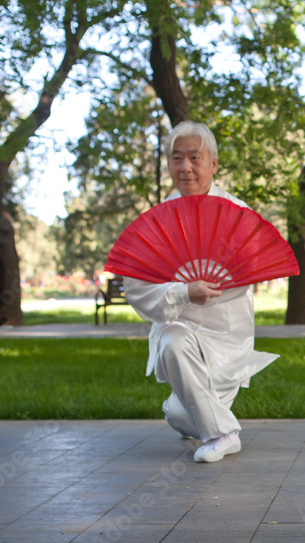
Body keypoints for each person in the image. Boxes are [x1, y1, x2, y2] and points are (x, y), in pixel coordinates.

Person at [124, 120, 277, 463]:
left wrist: (207, 288)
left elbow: (249, 273)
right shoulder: (156, 222)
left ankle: (190, 417)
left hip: (225, 336)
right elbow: (135, 289)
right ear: (168, 165)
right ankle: (224, 434)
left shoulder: (238, 216)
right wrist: (182, 293)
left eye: (195, 157)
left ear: (214, 165)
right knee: (172, 341)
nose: (186, 167)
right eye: (177, 158)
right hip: (179, 324)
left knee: (180, 416)